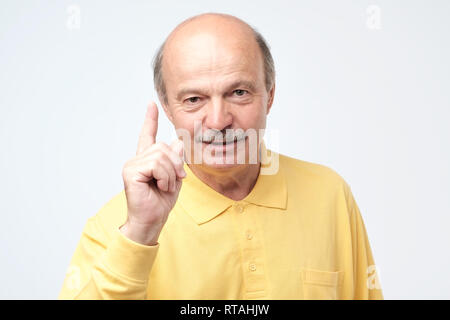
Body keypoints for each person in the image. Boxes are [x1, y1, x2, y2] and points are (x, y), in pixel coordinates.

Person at [59, 12, 384, 300]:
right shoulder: (116, 225)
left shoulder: (330, 194)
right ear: (168, 107)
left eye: (239, 92)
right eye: (194, 99)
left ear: (269, 95)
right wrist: (140, 234)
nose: (218, 120)